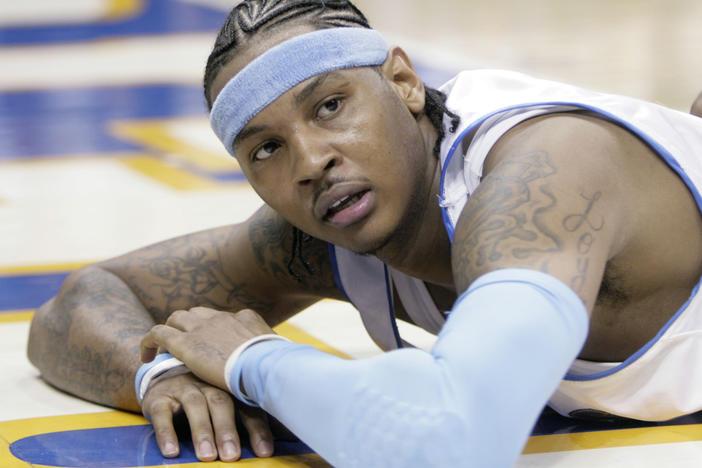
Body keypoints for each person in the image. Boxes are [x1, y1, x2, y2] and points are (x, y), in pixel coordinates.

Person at [27, 0, 702, 466]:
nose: (310, 161)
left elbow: (450, 444)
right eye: (265, 150)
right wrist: (159, 373)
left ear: (403, 82)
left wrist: (253, 363)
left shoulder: (543, 181)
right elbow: (77, 304)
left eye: (330, 105)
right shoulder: (323, 234)